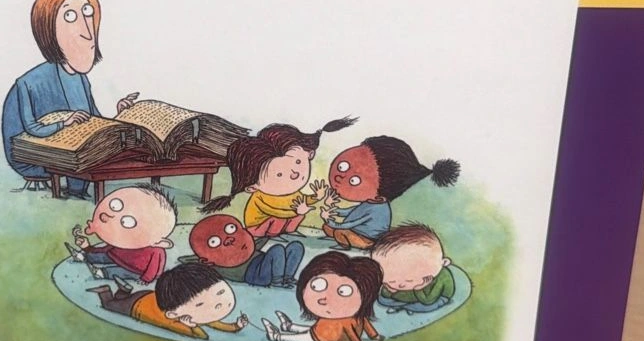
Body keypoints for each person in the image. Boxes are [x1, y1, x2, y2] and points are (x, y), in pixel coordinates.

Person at [0, 0, 139, 194]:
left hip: (73, 152)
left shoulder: (81, 79)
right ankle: (75, 191)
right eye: (69, 16)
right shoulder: (29, 83)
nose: (86, 30)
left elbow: (92, 122)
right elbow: (31, 129)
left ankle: (78, 191)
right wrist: (64, 123)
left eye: (87, 12)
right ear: (48, 28)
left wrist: (121, 115)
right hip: (33, 155)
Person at [207, 117, 354, 237]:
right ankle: (276, 234)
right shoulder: (261, 197)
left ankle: (287, 232)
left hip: (282, 220)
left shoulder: (291, 192)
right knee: (278, 219)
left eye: (298, 162)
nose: (294, 173)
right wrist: (297, 211)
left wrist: (317, 196)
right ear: (252, 187)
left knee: (294, 217)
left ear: (309, 154)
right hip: (258, 226)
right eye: (279, 174)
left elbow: (302, 201)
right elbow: (275, 210)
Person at [322, 136, 459, 248]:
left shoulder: (378, 210)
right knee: (330, 229)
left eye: (354, 180)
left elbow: (352, 222)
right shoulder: (370, 203)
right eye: (343, 166)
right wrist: (334, 211)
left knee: (339, 232)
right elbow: (351, 212)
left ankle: (347, 241)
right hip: (352, 231)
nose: (340, 176)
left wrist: (332, 221)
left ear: (379, 197)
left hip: (367, 239)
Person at [96, 259, 250, 340]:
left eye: (220, 292)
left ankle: (124, 290)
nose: (218, 304)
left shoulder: (202, 312)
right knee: (110, 305)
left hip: (149, 296)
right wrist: (192, 325)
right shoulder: (179, 321)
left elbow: (215, 322)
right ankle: (105, 291)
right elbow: (202, 336)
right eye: (200, 304)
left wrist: (236, 326)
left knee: (120, 300)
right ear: (172, 314)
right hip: (136, 306)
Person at [262, 250, 382, 341]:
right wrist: (374, 337)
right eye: (317, 286)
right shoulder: (355, 317)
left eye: (343, 292)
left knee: (299, 338)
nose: (325, 298)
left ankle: (276, 336)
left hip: (321, 339)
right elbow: (365, 327)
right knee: (310, 330)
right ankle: (289, 326)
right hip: (319, 333)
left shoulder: (349, 319)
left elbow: (353, 331)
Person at [68, 184, 176, 287]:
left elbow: (155, 267)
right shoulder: (125, 239)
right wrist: (88, 248)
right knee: (103, 256)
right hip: (118, 256)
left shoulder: (156, 250)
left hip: (136, 270)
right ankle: (83, 256)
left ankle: (101, 273)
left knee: (119, 271)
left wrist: (147, 278)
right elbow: (106, 249)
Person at [188, 210, 304, 289]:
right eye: (214, 242)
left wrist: (267, 236)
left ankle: (287, 278)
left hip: (266, 264)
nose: (229, 239)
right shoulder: (216, 265)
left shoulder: (246, 245)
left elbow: (256, 244)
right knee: (277, 250)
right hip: (255, 275)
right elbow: (197, 265)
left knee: (296, 247)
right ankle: (277, 282)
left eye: (231, 228)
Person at [371, 224, 458, 312]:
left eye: (409, 280)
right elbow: (385, 295)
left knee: (425, 306)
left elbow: (428, 300)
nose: (401, 285)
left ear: (444, 263)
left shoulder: (441, 278)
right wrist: (390, 289)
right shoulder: (399, 282)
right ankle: (405, 305)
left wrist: (419, 288)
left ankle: (406, 306)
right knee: (382, 300)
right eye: (392, 281)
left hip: (428, 297)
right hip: (410, 295)